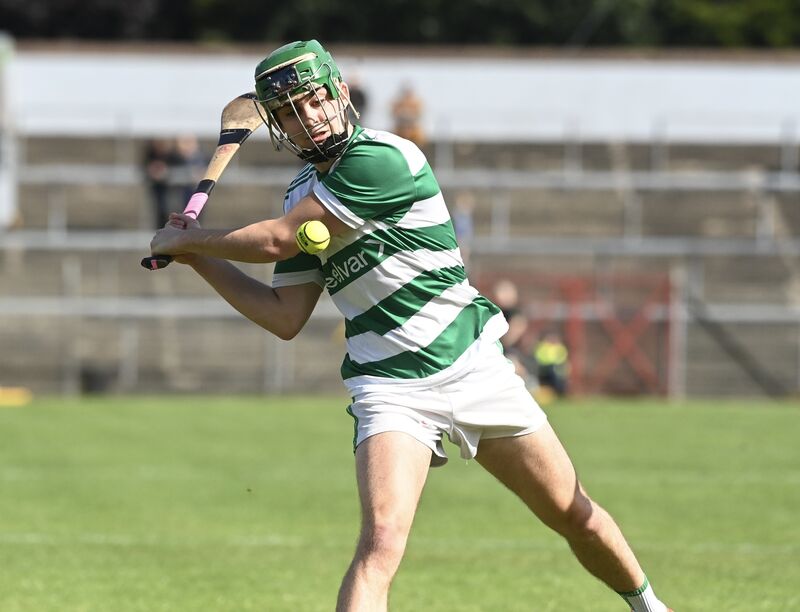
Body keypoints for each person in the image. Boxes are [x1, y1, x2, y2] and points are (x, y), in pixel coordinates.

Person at [149, 40, 672, 612]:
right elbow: (283, 316)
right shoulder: (300, 194)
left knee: (575, 514)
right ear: (278, 128)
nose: (311, 117)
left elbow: (278, 237)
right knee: (380, 545)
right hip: (390, 389)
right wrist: (199, 259)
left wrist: (189, 237)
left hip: (471, 365)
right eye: (293, 111)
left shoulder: (386, 158)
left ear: (342, 94)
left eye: (316, 100)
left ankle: (650, 606)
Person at [142, 137, 174, 228]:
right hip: (159, 188)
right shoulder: (150, 154)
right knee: (161, 210)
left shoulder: (172, 156)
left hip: (171, 190)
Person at [535, 329, 570, 397]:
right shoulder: (542, 346)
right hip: (543, 368)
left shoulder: (560, 347)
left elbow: (562, 359)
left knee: (557, 373)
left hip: (556, 368)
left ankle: (560, 393)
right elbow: (539, 357)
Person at [390, 82, 426, 147]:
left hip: (413, 129)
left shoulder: (416, 103)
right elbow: (394, 113)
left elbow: (418, 114)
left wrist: (407, 114)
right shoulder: (398, 103)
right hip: (400, 129)